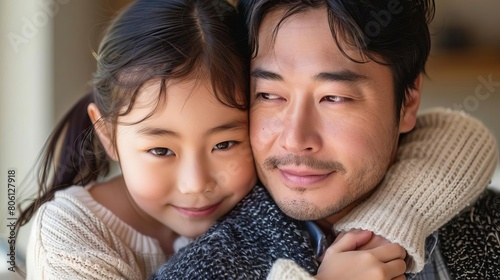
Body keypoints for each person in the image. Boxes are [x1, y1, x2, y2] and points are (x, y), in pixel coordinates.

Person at [150, 0, 499, 279]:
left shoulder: (488, 225)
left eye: (334, 97)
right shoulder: (202, 269)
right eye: (269, 95)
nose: (295, 139)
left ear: (408, 101)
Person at [19, 0, 256, 278]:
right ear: (107, 135)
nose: (196, 184)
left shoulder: (268, 213)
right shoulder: (70, 235)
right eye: (160, 150)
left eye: (224, 145)